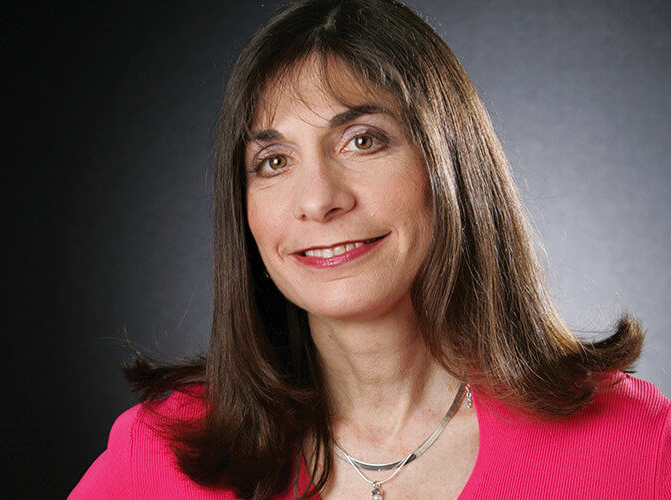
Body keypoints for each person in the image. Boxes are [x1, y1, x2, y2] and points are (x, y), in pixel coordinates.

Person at [70, 0, 671, 498]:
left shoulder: (638, 444)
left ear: (449, 166)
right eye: (274, 161)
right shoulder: (160, 454)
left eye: (362, 140)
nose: (318, 200)